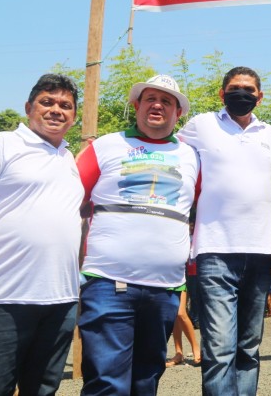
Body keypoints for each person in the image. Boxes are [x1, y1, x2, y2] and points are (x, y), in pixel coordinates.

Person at [0, 74, 83, 395]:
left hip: (60, 301)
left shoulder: (68, 159)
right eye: (47, 102)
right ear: (28, 107)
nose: (56, 110)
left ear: (74, 116)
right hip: (1, 300)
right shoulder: (2, 144)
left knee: (42, 390)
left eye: (65, 105)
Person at [77, 74, 199, 395]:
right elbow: (68, 199)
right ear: (137, 105)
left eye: (167, 101)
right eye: (150, 99)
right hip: (107, 282)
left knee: (146, 380)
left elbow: (206, 210)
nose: (158, 105)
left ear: (178, 113)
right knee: (107, 382)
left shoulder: (192, 157)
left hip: (165, 288)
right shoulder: (104, 146)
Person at [178, 66, 271, 396]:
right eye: (235, 88)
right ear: (222, 94)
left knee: (248, 349)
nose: (242, 93)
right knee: (220, 349)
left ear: (259, 97)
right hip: (215, 251)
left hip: (261, 252)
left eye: (249, 89)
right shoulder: (201, 125)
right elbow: (166, 148)